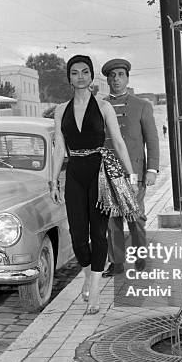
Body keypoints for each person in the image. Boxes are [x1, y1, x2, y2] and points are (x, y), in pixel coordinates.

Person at [51, 55, 138, 315]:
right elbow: (59, 149)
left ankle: (96, 291)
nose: (80, 76)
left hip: (99, 172)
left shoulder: (103, 107)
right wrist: (53, 180)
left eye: (85, 71)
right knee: (78, 235)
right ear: (69, 77)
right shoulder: (60, 110)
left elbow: (119, 142)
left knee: (98, 233)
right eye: (75, 72)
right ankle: (88, 276)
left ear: (91, 76)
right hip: (75, 172)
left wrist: (131, 178)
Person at [101, 58, 160, 277]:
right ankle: (116, 263)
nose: (116, 79)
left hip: (133, 174)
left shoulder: (141, 105)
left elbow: (152, 140)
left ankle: (140, 259)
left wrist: (152, 170)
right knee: (111, 219)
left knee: (135, 217)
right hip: (107, 172)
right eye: (112, 76)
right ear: (107, 79)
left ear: (127, 78)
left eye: (120, 75)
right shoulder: (100, 105)